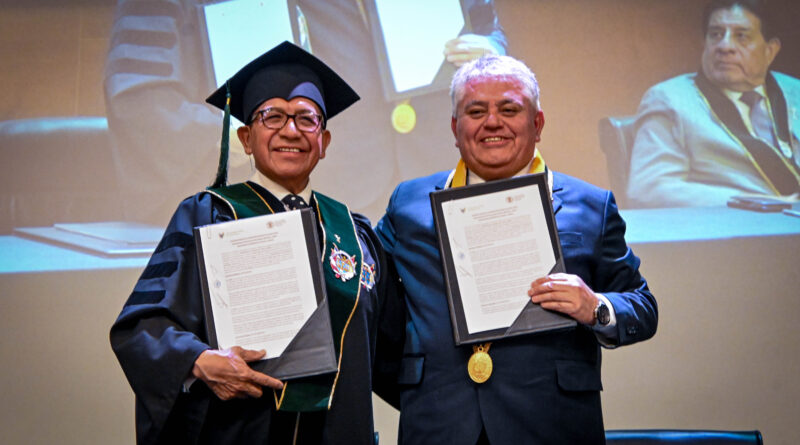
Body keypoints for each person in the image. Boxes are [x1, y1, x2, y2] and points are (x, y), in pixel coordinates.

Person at [110, 41, 391, 445]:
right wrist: (199, 361)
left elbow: (395, 349)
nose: (290, 130)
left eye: (306, 119)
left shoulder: (354, 234)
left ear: (324, 141)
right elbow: (144, 326)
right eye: (272, 116)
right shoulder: (208, 215)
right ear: (245, 137)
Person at [375, 54, 658, 444]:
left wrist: (595, 307)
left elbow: (643, 306)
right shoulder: (409, 204)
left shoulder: (592, 206)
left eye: (509, 109)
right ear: (455, 128)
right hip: (439, 423)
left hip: (552, 425)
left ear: (537, 124)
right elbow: (367, 298)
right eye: (476, 111)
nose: (493, 122)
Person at [104, 0, 506, 225]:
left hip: (431, 205)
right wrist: (244, 133)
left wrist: (493, 55)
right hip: (289, 220)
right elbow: (141, 105)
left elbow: (484, 25)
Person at [627, 0, 800, 208]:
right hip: (741, 223)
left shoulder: (794, 91)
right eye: (716, 34)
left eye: (741, 36)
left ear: (770, 51)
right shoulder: (670, 100)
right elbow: (649, 188)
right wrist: (752, 202)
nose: (725, 47)